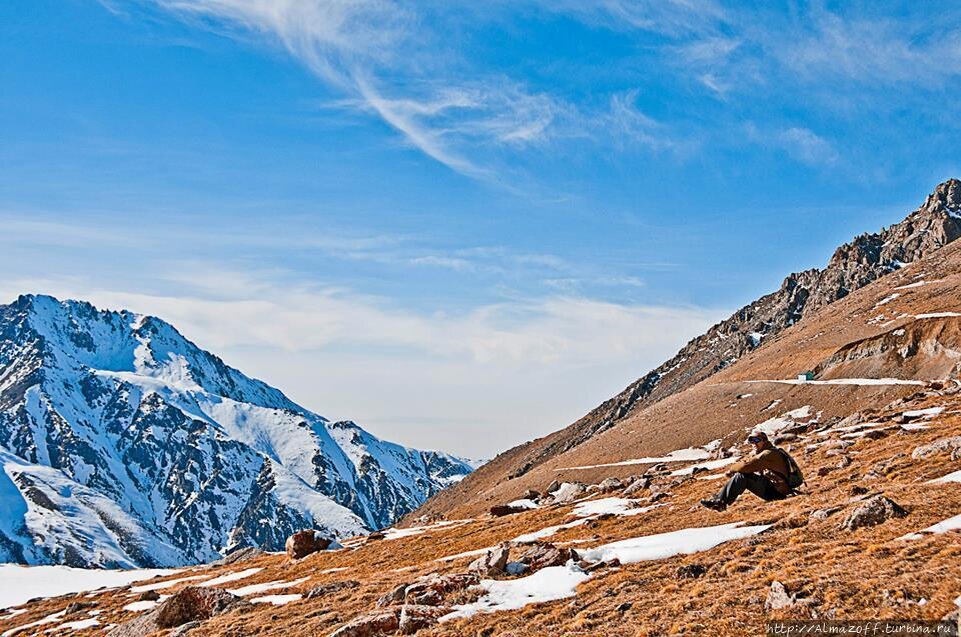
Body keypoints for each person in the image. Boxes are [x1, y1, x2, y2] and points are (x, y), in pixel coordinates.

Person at [700, 431, 792, 512]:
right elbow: (746, 461)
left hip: (778, 493)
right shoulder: (764, 452)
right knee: (743, 475)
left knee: (741, 476)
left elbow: (746, 466)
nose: (754, 444)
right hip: (775, 488)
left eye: (757, 440)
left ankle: (720, 503)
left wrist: (731, 470)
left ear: (764, 441)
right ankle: (720, 501)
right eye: (751, 441)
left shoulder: (767, 454)